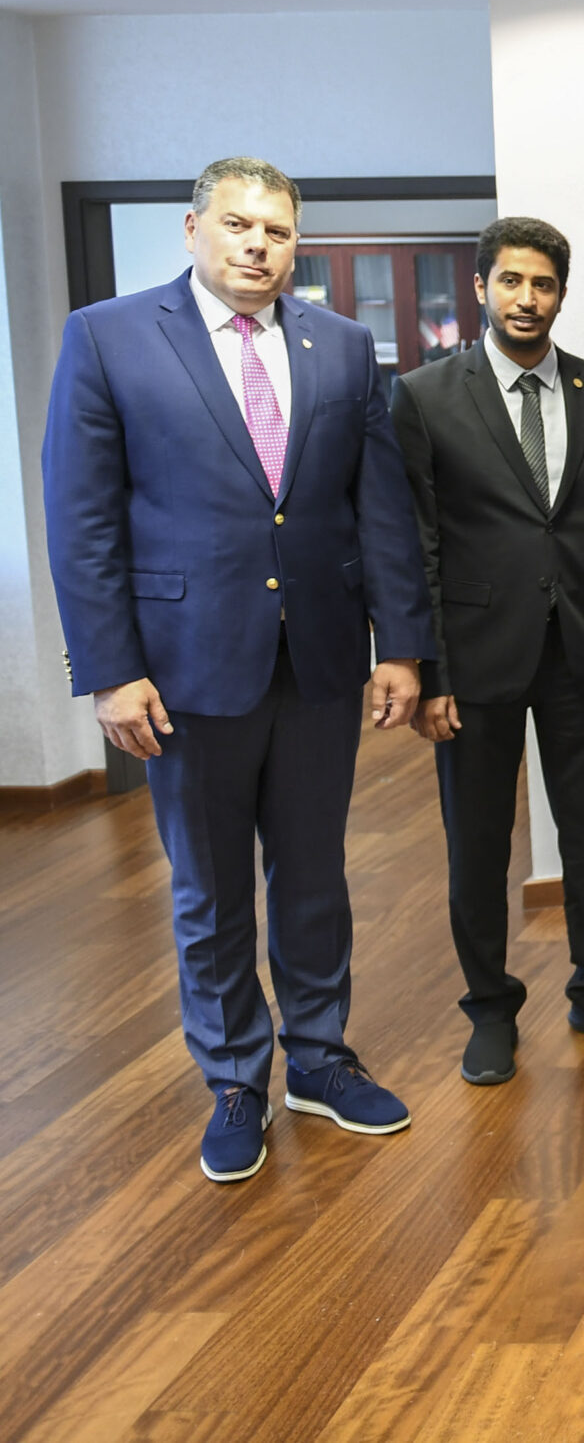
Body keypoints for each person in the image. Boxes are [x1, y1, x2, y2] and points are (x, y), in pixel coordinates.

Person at [42, 157, 433, 1183]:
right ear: (193, 229)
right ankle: (233, 1079)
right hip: (184, 669)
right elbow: (82, 521)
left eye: (278, 230)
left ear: (296, 242)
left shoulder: (341, 346)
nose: (258, 245)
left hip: (318, 658)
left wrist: (400, 644)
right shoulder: (108, 337)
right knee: (210, 886)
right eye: (238, 224)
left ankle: (320, 1056)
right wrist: (110, 670)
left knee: (314, 873)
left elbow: (379, 508)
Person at [392, 216, 584, 1085]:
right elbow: (416, 545)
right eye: (511, 281)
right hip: (473, 662)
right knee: (478, 845)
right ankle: (489, 1008)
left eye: (543, 284)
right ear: (481, 286)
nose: (527, 298)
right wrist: (428, 668)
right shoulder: (425, 396)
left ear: (561, 295)